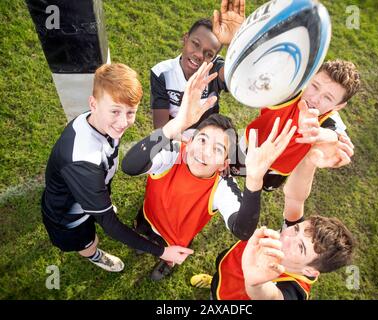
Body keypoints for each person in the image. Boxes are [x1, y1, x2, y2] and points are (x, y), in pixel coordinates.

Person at [122, 61, 297, 280]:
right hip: (148, 217)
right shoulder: (174, 153)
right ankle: (145, 242)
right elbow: (129, 166)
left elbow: (242, 231)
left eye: (217, 149)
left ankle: (167, 262)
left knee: (173, 252)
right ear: (190, 140)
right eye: (202, 140)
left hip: (178, 236)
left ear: (224, 164)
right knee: (143, 234)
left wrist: (254, 179)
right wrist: (177, 125)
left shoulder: (222, 187)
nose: (203, 152)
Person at [41, 63, 193, 273]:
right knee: (88, 242)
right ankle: (94, 255)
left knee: (99, 208)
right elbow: (111, 226)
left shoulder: (96, 121)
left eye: (130, 112)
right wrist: (163, 252)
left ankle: (99, 211)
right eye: (115, 111)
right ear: (93, 104)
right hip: (68, 218)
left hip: (87, 194)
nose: (123, 122)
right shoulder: (84, 162)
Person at [191, 138, 356, 299]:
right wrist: (309, 161)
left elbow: (272, 297)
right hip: (228, 267)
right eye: (297, 228)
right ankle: (214, 282)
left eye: (300, 247)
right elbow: (295, 198)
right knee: (218, 281)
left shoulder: (295, 290)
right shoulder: (293, 236)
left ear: (309, 271)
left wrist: (255, 283)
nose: (288, 235)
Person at [231, 59, 361, 191]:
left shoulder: (329, 119)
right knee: (228, 170)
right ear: (310, 78)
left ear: (338, 106)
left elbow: (336, 135)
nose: (314, 99)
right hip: (252, 145)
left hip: (278, 168)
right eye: (315, 86)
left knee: (258, 188)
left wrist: (316, 133)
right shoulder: (288, 92)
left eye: (327, 98)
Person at [150, 0, 245, 130]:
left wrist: (233, 42)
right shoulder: (162, 73)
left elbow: (236, 76)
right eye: (195, 44)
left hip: (204, 140)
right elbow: (160, 129)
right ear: (185, 39)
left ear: (214, 57)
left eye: (209, 54)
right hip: (174, 138)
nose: (200, 55)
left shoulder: (214, 68)